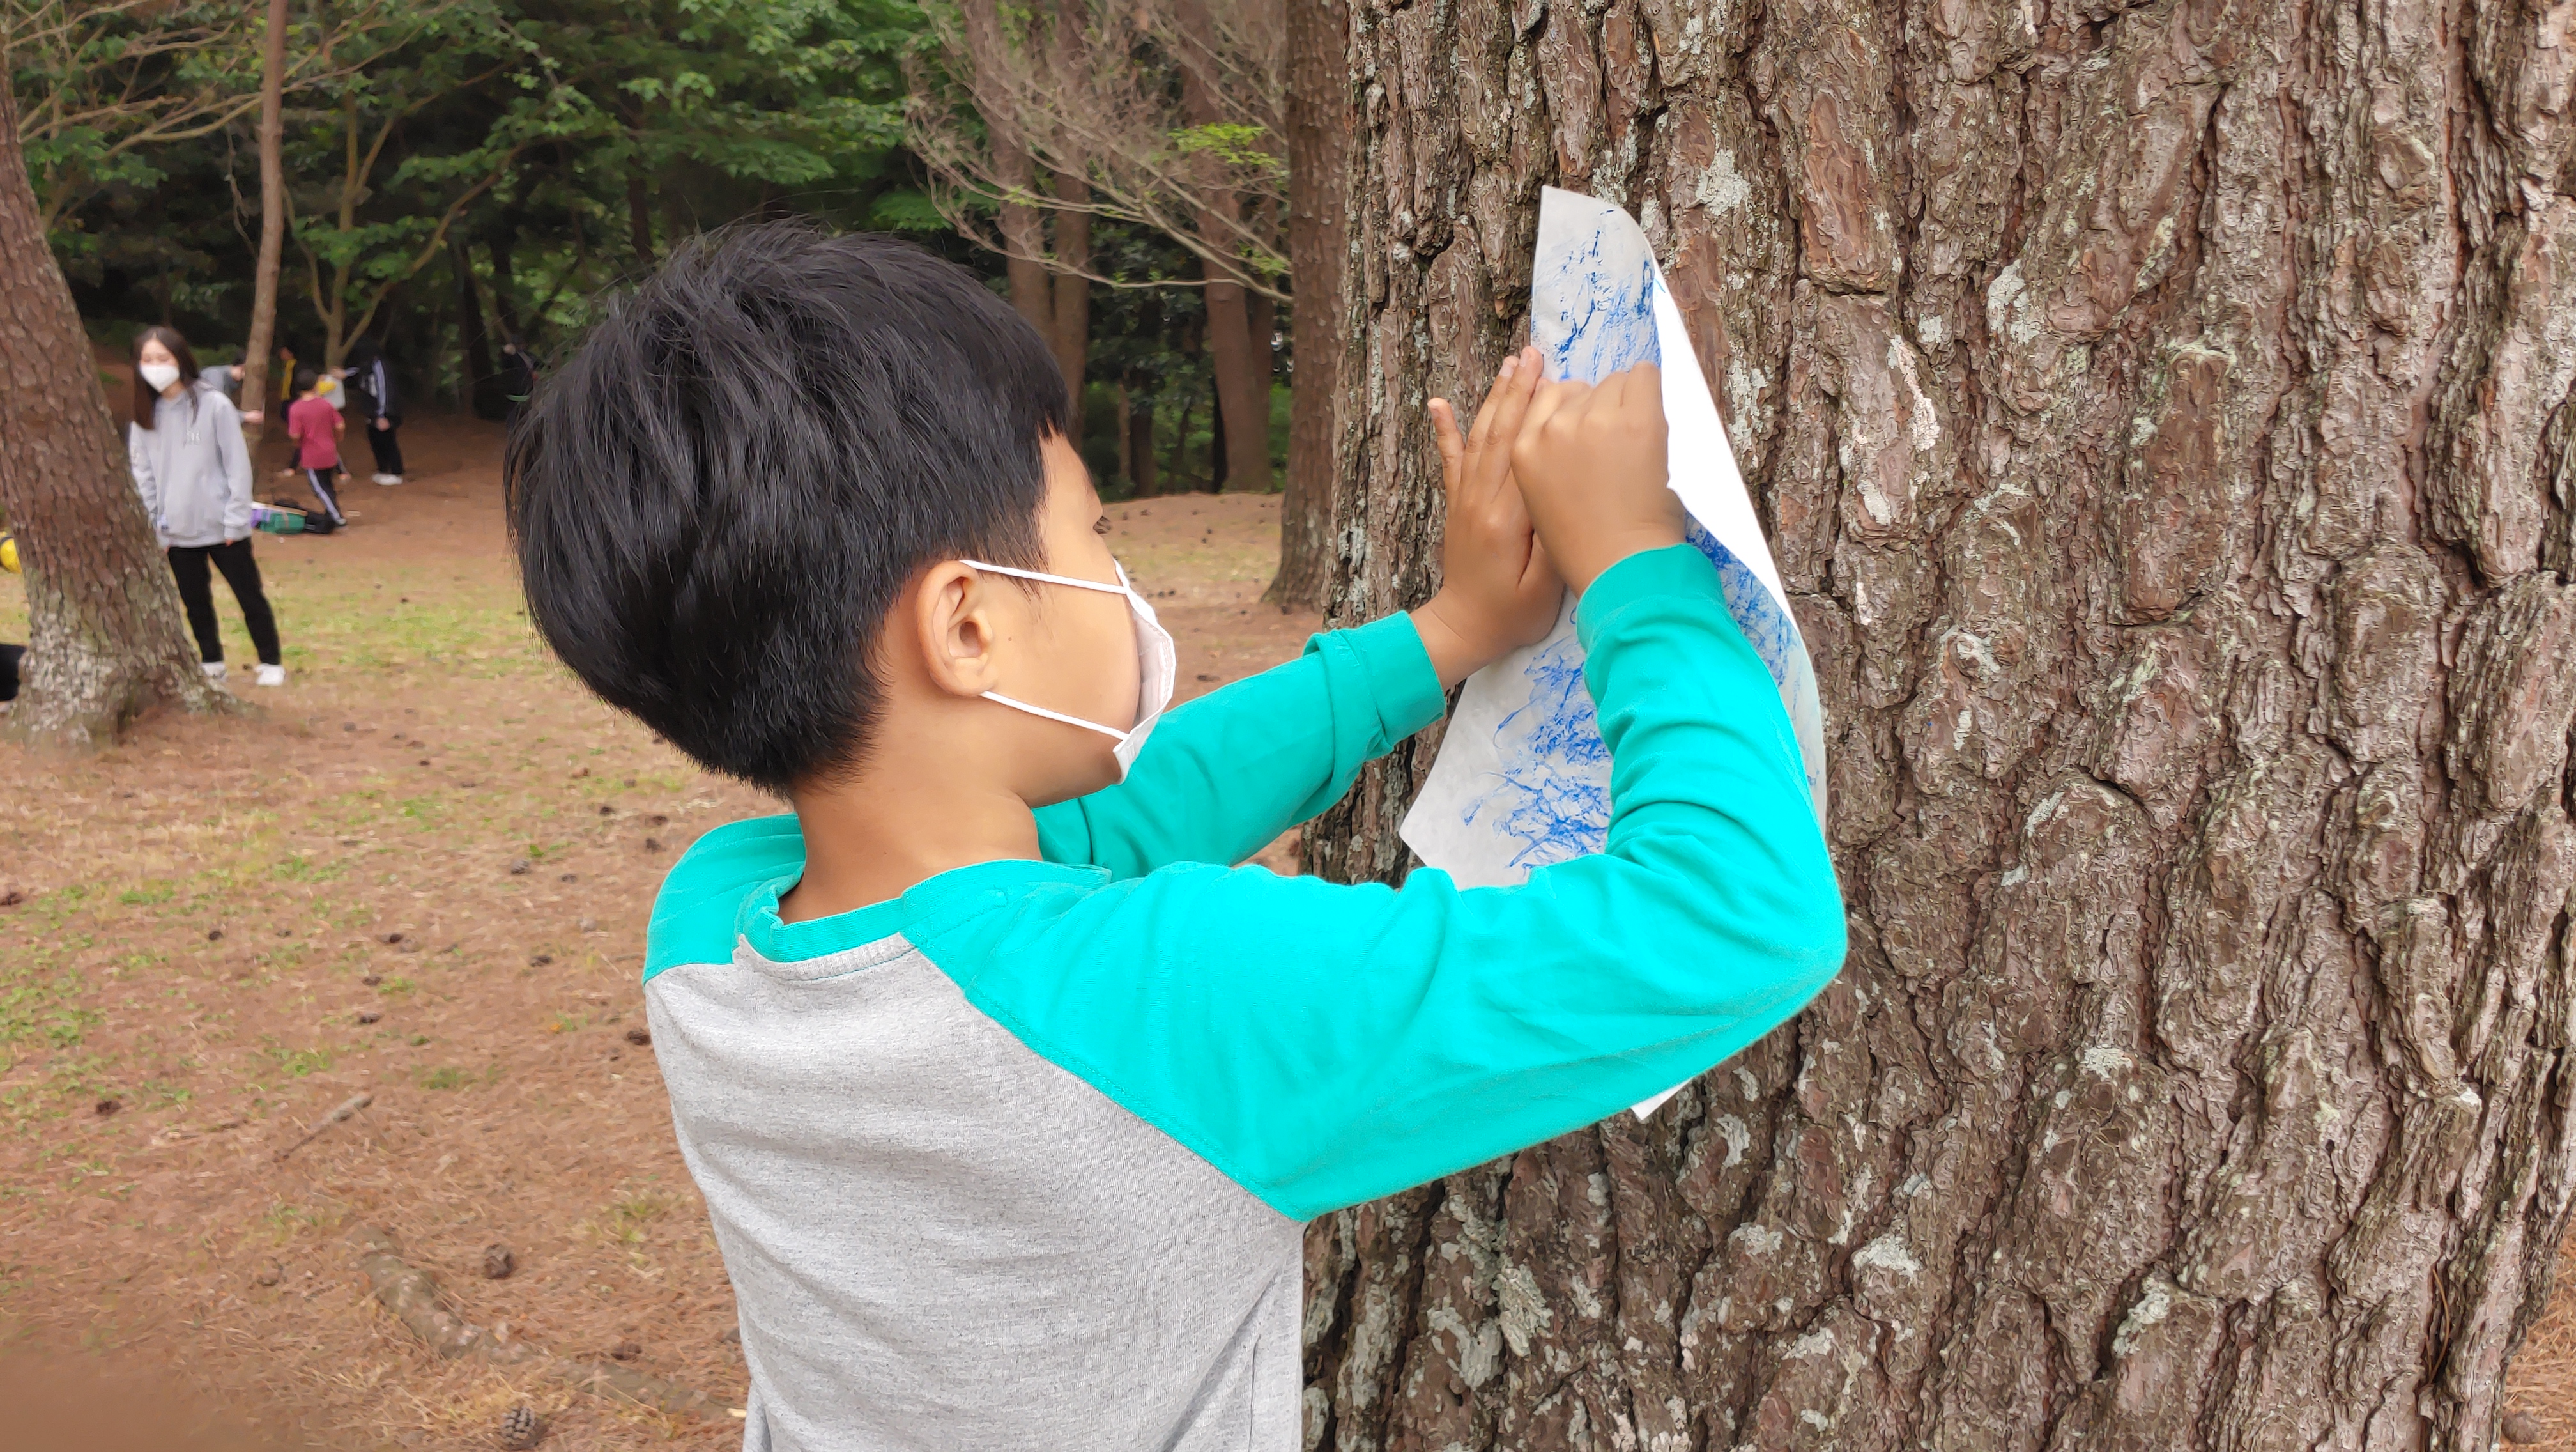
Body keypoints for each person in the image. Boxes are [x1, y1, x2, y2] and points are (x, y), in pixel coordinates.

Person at [506, 227, 1843, 1451]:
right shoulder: (1175, 997)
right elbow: (1737, 912)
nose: (1117, 572)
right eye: (1094, 532)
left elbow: (1126, 821)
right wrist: (1633, 564)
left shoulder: (707, 928)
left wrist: (1446, 636)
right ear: (969, 625)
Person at [128, 326, 285, 688]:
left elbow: (237, 466)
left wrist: (235, 520)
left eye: (163, 358)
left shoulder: (214, 404)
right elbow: (143, 476)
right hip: (176, 531)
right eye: (148, 360)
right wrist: (155, 527)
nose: (155, 366)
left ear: (180, 359)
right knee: (195, 601)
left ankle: (270, 661)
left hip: (222, 526)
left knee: (249, 595)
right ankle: (212, 661)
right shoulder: (144, 415)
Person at [284, 366, 348, 529]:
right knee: (328, 484)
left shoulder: (296, 408)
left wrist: (297, 445)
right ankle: (332, 511)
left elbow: (295, 435)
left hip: (311, 454)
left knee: (319, 488)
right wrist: (337, 438)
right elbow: (340, 425)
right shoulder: (325, 404)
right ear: (315, 385)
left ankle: (337, 517)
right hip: (329, 451)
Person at [342, 337, 405, 485]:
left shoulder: (381, 366)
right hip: (372, 410)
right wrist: (344, 374)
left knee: (388, 440)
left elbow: (385, 391)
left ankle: (396, 472)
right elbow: (356, 371)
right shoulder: (367, 364)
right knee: (374, 439)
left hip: (386, 410)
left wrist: (383, 415)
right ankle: (382, 469)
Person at [498, 337, 539, 419]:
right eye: (518, 344)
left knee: (528, 417)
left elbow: (538, 364)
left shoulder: (527, 355)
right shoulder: (510, 357)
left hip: (528, 393)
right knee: (514, 417)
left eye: (521, 344)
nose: (521, 346)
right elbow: (505, 361)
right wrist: (506, 352)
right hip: (514, 394)